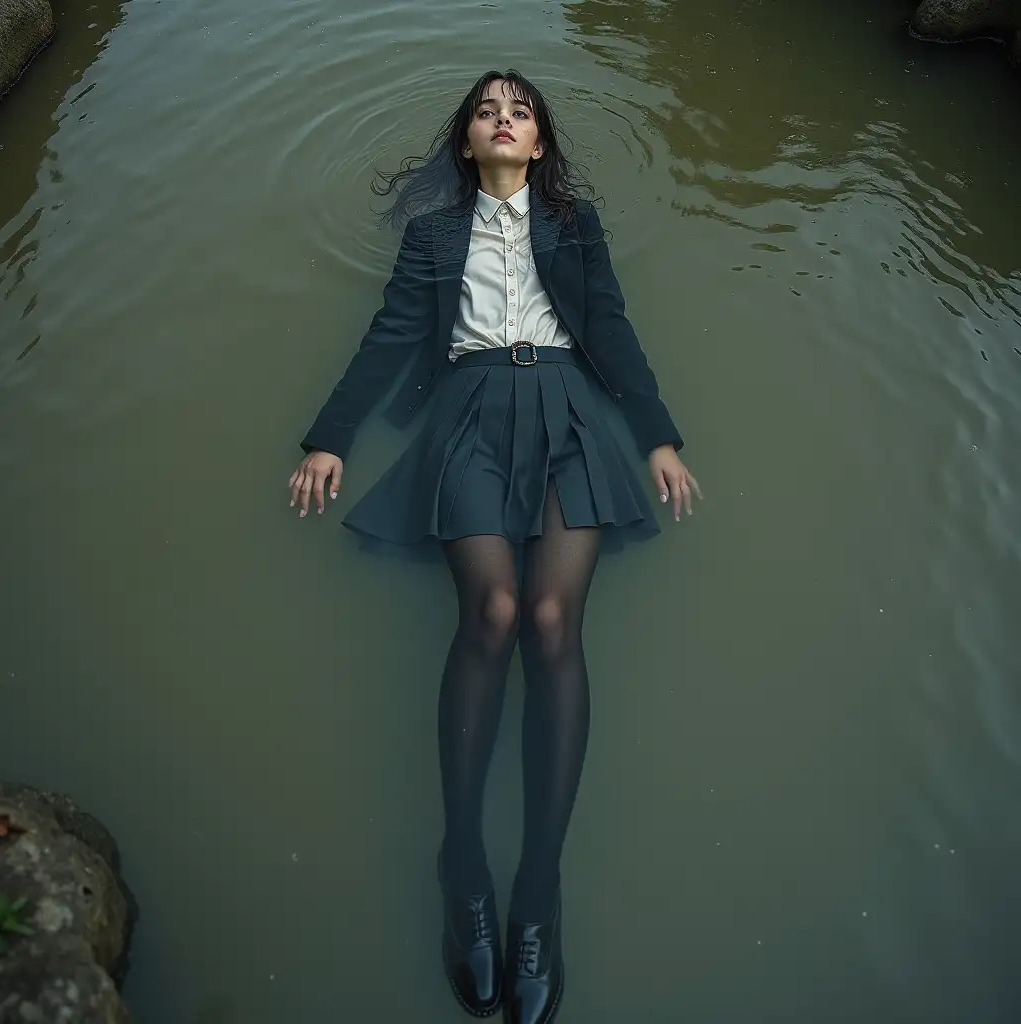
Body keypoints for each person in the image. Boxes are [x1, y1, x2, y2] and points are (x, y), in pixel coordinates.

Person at [287, 69, 701, 1024]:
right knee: (498, 611)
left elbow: (609, 328)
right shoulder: (434, 233)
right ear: (468, 143)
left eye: (520, 111)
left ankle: (539, 893)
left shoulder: (575, 226)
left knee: (555, 621)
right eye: (487, 111)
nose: (504, 119)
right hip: (470, 411)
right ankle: (464, 867)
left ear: (540, 143)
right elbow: (391, 335)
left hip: (567, 412)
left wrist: (659, 438)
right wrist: (328, 436)